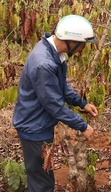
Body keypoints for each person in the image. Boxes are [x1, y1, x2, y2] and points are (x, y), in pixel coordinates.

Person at [12, 14, 99, 192]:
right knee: (41, 183)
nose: (83, 48)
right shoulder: (43, 63)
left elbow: (60, 86)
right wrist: (82, 126)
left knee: (43, 177)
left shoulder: (54, 53)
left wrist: (82, 104)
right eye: (82, 44)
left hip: (39, 124)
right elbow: (54, 105)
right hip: (34, 128)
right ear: (71, 41)